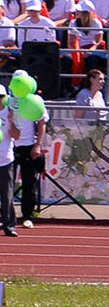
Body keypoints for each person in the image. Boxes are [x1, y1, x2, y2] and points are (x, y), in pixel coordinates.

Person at [9, 91, 46, 228]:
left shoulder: (35, 100)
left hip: (29, 146)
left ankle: (27, 216)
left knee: (29, 182)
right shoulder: (9, 101)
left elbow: (42, 123)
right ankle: (6, 216)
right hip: (10, 146)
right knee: (6, 183)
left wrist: (37, 146)